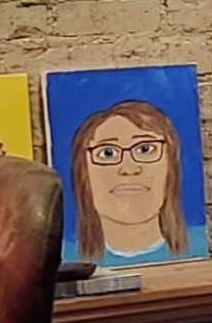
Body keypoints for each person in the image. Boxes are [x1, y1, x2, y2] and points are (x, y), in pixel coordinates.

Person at [65, 97, 195, 265]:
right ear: (84, 173)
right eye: (108, 153)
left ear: (170, 165)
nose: (129, 168)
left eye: (145, 149)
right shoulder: (65, 259)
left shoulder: (195, 245)